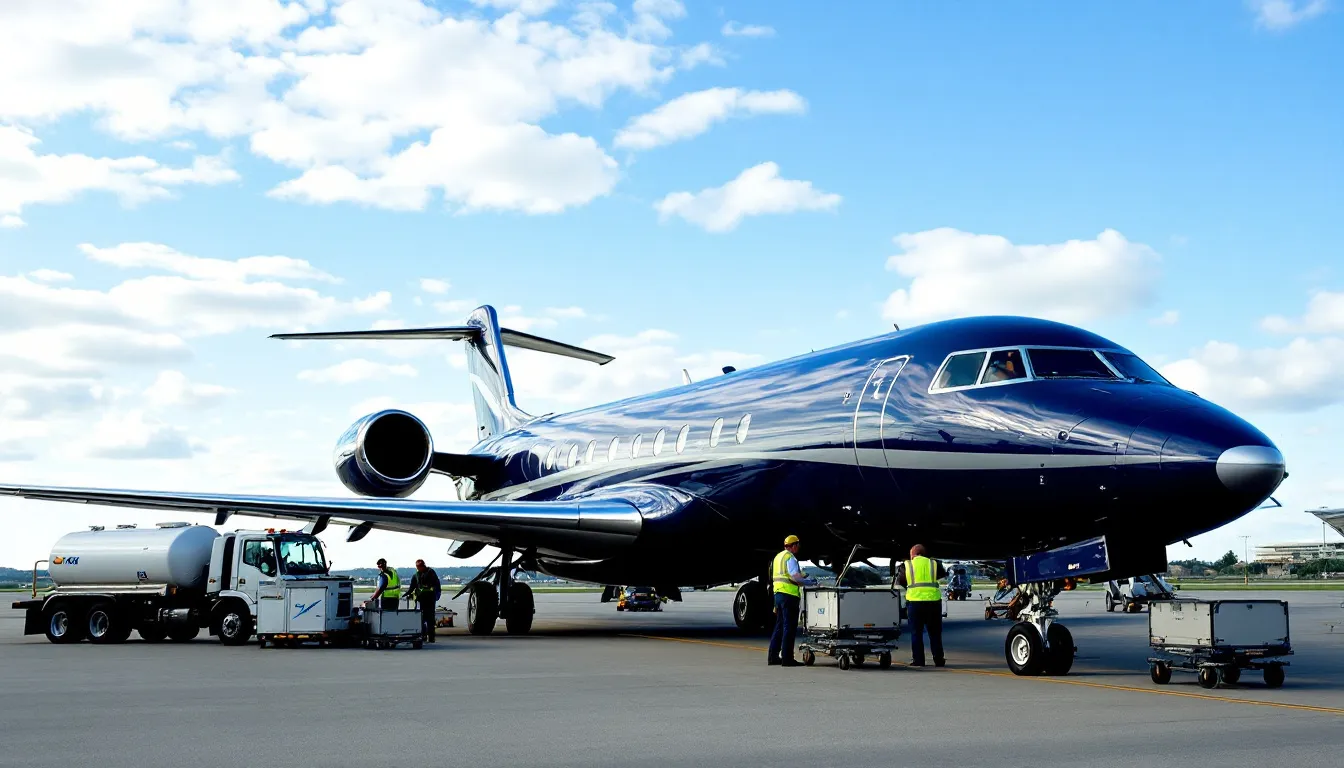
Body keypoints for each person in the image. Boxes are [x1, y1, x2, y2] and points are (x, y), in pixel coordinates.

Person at [767, 534, 818, 667]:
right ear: (794, 545)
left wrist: (802, 576)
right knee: (789, 628)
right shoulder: (790, 558)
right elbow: (795, 577)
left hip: (778, 594)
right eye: (798, 545)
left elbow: (782, 576)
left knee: (779, 627)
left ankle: (773, 657)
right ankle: (787, 658)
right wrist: (810, 582)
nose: (798, 547)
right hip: (789, 596)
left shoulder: (778, 557)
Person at [896, 543, 947, 667]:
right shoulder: (934, 563)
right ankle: (939, 660)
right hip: (933, 602)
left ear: (913, 554)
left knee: (916, 633)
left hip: (915, 602)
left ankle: (919, 660)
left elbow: (900, 581)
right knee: (935, 633)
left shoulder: (906, 565)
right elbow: (942, 574)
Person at [405, 559, 442, 643]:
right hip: (420, 600)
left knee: (430, 619)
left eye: (421, 566)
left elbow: (436, 585)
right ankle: (423, 636)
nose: (419, 568)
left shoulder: (431, 573)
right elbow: (412, 587)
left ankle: (431, 638)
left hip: (430, 599)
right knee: (421, 619)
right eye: (418, 567)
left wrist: (436, 595)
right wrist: (406, 594)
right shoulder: (416, 575)